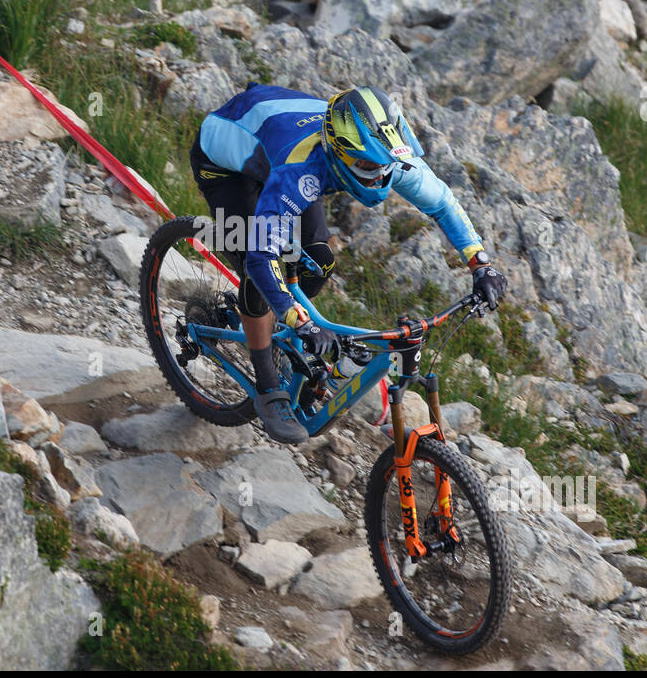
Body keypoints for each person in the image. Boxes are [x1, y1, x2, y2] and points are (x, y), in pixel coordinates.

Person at [190, 83, 507, 443]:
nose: (379, 176)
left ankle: (280, 331)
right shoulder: (302, 170)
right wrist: (300, 321)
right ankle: (267, 387)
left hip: (281, 144)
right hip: (225, 162)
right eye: (368, 167)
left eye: (385, 166)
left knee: (319, 260)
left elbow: (442, 203)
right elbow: (262, 259)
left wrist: (480, 264)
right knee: (260, 268)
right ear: (338, 152)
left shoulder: (385, 152)